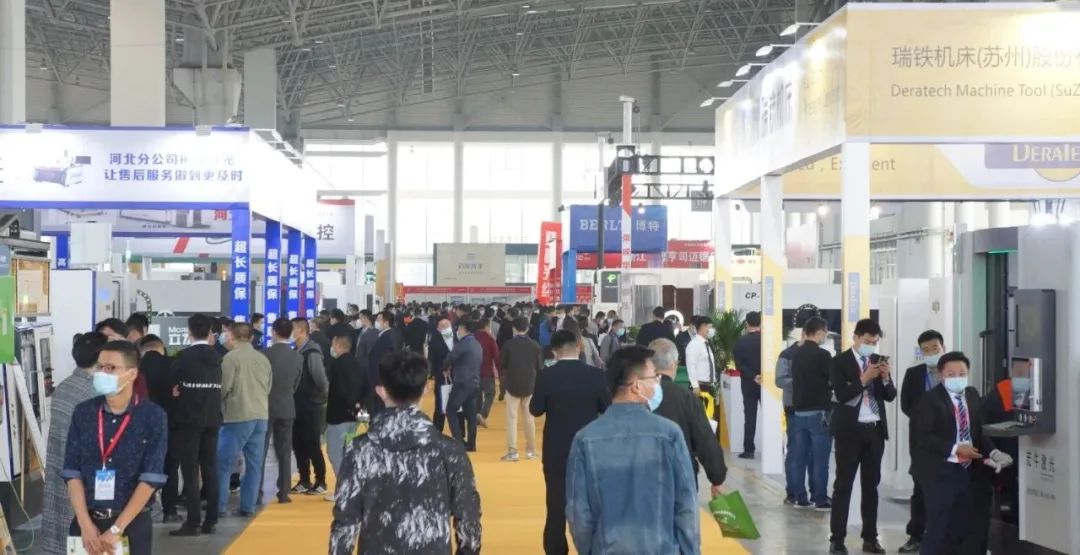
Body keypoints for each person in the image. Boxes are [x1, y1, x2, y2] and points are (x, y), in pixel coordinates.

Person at [329, 351, 481, 555]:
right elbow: (468, 518)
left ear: (381, 391)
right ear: (426, 388)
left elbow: (345, 522)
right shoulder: (449, 451)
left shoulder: (360, 451)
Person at [566, 346, 700, 554]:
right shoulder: (669, 434)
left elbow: (579, 514)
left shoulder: (585, 439)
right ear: (636, 386)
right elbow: (686, 505)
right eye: (654, 377)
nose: (658, 383)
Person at [62, 341, 167, 555]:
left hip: (130, 525)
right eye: (100, 367)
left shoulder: (152, 416)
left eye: (110, 368)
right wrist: (85, 524)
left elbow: (150, 478)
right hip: (86, 526)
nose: (103, 373)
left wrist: (116, 529)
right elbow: (72, 473)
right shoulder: (83, 412)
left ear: (131, 374)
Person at [911, 352, 1012, 555]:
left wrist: (994, 453)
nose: (957, 378)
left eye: (962, 373)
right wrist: (955, 449)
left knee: (968, 528)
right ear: (941, 375)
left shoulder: (972, 395)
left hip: (970, 472)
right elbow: (923, 438)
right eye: (951, 374)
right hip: (941, 472)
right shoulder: (929, 400)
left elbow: (978, 432)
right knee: (940, 528)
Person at [529, 330, 610, 555]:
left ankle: (556, 549)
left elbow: (535, 410)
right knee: (592, 503)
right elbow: (607, 407)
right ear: (579, 347)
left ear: (554, 351)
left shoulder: (546, 376)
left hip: (556, 449)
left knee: (556, 504)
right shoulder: (596, 375)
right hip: (590, 449)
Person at [828, 319, 896, 555]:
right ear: (856, 337)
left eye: (875, 342)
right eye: (867, 341)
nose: (871, 346)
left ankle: (870, 538)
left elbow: (890, 396)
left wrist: (886, 377)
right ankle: (837, 539)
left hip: (875, 431)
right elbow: (842, 395)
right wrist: (864, 379)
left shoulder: (877, 361)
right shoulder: (839, 362)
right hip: (849, 432)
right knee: (843, 485)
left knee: (871, 487)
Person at [43, 332, 107, 555]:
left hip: (60, 474)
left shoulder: (63, 387)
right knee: (87, 538)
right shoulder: (95, 393)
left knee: (63, 536)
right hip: (85, 483)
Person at [650, 338, 727, 495]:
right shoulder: (685, 397)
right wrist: (717, 478)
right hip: (682, 477)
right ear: (674, 364)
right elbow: (705, 439)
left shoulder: (637, 394)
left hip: (643, 478)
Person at [169, 314, 223, 537]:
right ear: (210, 332)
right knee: (210, 468)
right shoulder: (217, 357)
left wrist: (179, 390)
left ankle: (193, 522)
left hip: (189, 420)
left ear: (189, 331)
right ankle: (211, 520)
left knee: (190, 471)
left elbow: (173, 385)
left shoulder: (184, 357)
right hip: (213, 418)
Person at [216, 322, 272, 518]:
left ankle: (219, 506)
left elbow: (224, 387)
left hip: (238, 415)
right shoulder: (263, 359)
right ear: (251, 337)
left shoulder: (231, 358)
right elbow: (268, 387)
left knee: (223, 462)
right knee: (254, 464)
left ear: (231, 336)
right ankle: (248, 506)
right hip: (261, 415)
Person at [897, 330, 946, 553]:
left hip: (947, 439)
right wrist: (925, 421)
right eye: (926, 350)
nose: (931, 353)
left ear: (943, 347)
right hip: (920, 440)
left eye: (935, 348)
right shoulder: (914, 373)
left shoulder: (952, 371)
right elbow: (905, 404)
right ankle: (916, 535)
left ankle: (942, 535)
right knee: (920, 487)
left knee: (946, 487)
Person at [791, 317, 834, 510]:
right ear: (820, 332)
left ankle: (800, 497)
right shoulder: (823, 355)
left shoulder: (796, 353)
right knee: (820, 459)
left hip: (799, 412)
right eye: (825, 333)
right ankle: (820, 498)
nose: (825, 337)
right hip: (819, 413)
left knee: (800, 457)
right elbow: (833, 379)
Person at [260, 318, 303, 505]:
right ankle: (284, 491)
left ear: (274, 332)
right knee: (285, 451)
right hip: (287, 406)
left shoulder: (264, 354)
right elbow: (296, 384)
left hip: (265, 406)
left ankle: (256, 490)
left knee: (260, 450)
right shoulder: (297, 357)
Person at [325, 334, 372, 491]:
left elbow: (339, 389)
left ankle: (344, 488)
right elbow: (367, 388)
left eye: (333, 345)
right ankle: (352, 484)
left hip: (338, 416)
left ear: (339, 346)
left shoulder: (336, 365)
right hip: (355, 416)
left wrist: (350, 404)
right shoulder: (360, 363)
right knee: (348, 450)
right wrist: (358, 406)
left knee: (334, 452)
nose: (332, 348)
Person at [290, 317, 330, 496]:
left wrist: (322, 398)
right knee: (298, 443)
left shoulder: (312, 352)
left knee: (312, 443)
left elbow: (321, 380)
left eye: (293, 329)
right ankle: (304, 479)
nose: (291, 332)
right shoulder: (296, 351)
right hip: (296, 404)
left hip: (311, 405)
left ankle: (320, 480)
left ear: (301, 331)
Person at [498, 317, 542, 462]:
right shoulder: (535, 345)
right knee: (529, 419)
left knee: (512, 418)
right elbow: (540, 367)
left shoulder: (508, 345)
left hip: (512, 385)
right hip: (530, 385)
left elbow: (502, 364)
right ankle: (531, 451)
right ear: (528, 328)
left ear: (514, 328)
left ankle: (512, 451)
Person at [443, 319, 483, 452]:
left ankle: (459, 441)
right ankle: (471, 443)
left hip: (462, 382)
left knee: (450, 410)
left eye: (459, 328)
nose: (457, 331)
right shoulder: (477, 344)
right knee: (471, 414)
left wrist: (445, 368)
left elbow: (450, 357)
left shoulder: (463, 344)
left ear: (463, 329)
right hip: (475, 382)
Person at [775, 328, 804, 506]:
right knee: (794, 449)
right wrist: (803, 382)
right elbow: (780, 380)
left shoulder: (821, 355)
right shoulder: (786, 355)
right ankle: (793, 492)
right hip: (793, 407)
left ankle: (809, 493)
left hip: (815, 408)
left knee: (810, 453)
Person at [732, 311, 762, 459]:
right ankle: (773, 448)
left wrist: (753, 376)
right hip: (766, 383)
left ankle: (749, 450)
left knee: (750, 416)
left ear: (746, 324)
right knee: (770, 416)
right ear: (760, 323)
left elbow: (739, 365)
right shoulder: (766, 341)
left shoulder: (740, 342)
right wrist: (762, 375)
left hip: (748, 383)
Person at [367, 310, 399, 416]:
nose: (376, 322)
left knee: (380, 408)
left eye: (379, 319)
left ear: (386, 322)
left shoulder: (388, 337)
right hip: (378, 379)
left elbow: (387, 360)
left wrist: (381, 381)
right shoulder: (383, 335)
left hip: (381, 380)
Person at [428, 316, 456, 433]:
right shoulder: (434, 340)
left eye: (447, 325)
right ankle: (437, 431)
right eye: (442, 326)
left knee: (457, 407)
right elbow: (431, 359)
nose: (445, 328)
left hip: (457, 377)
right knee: (440, 406)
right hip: (441, 377)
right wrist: (437, 372)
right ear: (438, 329)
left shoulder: (458, 337)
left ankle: (459, 434)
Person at [475, 318, 501, 428]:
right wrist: (500, 373)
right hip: (487, 372)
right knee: (490, 393)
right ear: (487, 326)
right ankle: (482, 414)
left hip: (473, 372)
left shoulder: (472, 337)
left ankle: (476, 418)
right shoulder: (490, 339)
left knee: (477, 396)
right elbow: (497, 358)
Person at [685, 315, 718, 393]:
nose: (711, 330)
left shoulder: (706, 344)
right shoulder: (694, 344)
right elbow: (691, 366)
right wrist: (695, 386)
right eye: (710, 327)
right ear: (703, 327)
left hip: (709, 386)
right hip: (699, 386)